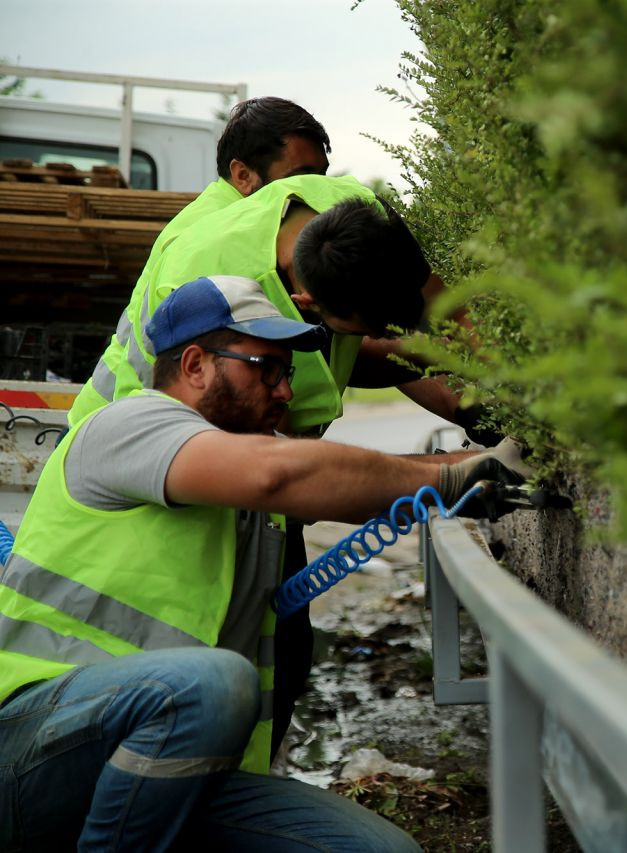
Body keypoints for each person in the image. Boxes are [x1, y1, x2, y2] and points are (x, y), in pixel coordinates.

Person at [0, 276, 523, 850]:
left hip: (167, 770)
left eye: (288, 372)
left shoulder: (241, 494)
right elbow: (279, 472)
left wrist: (475, 468)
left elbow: (353, 484)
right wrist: (449, 474)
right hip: (30, 750)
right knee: (211, 682)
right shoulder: (130, 424)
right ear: (195, 364)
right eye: (264, 367)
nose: (284, 392)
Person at [69, 96, 331, 425]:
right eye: (302, 177)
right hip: (116, 427)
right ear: (243, 175)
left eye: (323, 176)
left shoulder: (249, 227)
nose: (318, 192)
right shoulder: (209, 242)